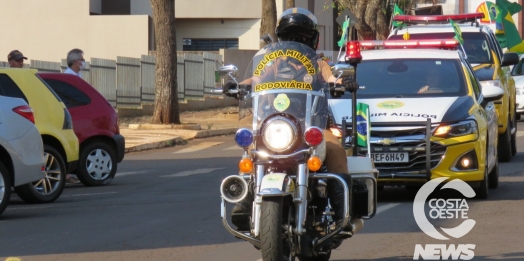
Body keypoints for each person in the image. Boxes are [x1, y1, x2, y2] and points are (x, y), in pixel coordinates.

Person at [224, 7, 358, 232]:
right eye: (290, 37)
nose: (296, 42)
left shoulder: (318, 63)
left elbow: (331, 78)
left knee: (335, 148)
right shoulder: (274, 63)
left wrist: (340, 83)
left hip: (311, 125)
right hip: (275, 124)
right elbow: (256, 77)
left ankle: (341, 211)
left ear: (311, 40)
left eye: (302, 38)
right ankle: (245, 201)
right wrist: (238, 85)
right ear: (281, 39)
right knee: (250, 146)